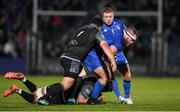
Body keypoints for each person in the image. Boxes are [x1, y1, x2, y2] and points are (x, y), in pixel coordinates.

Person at [37, 17, 117, 105]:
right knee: (67, 84)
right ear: (100, 27)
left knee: (81, 74)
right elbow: (104, 45)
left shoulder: (81, 29)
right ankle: (44, 98)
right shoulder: (96, 32)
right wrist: (112, 60)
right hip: (73, 58)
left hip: (65, 55)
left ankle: (71, 98)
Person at [101, 7, 139, 104]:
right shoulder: (100, 27)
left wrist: (129, 38)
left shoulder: (120, 24)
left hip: (118, 52)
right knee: (111, 76)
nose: (108, 19)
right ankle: (119, 97)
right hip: (106, 53)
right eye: (106, 17)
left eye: (110, 16)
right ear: (103, 17)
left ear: (113, 17)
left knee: (128, 75)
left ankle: (127, 97)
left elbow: (127, 33)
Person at [3, 72, 112, 105]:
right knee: (36, 99)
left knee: (37, 91)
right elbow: (81, 100)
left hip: (59, 88)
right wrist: (97, 102)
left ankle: (23, 80)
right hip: (60, 96)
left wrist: (98, 97)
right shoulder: (90, 86)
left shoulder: (91, 82)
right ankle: (17, 89)